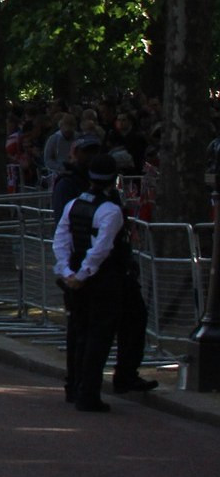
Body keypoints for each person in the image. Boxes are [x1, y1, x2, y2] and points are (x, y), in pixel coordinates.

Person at [54, 155, 158, 410]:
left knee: (80, 333)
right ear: (114, 180)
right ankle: (88, 393)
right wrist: (80, 275)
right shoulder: (110, 211)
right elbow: (101, 249)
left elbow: (60, 241)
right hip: (102, 278)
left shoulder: (73, 204)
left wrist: (67, 271)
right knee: (98, 337)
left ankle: (76, 387)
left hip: (78, 274)